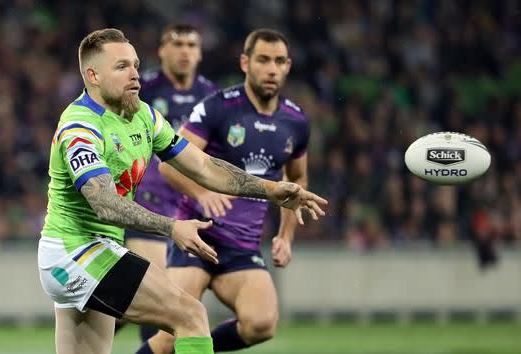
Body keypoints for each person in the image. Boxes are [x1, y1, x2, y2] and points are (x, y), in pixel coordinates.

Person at [38, 28, 327, 354]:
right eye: (121, 67)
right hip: (75, 253)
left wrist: (272, 190)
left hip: (95, 250)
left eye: (135, 64)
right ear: (92, 75)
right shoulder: (81, 126)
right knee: (190, 315)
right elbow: (105, 203)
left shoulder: (143, 115)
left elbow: (204, 166)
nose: (135, 74)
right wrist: (171, 226)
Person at [139, 29, 313, 353]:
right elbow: (168, 164)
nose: (271, 69)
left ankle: (195, 346)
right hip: (197, 237)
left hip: (242, 247)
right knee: (167, 337)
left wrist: (286, 235)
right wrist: (203, 194)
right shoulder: (217, 107)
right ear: (246, 63)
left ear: (288, 66)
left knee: (262, 324)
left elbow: (297, 182)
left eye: (278, 61)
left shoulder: (297, 121)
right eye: (263, 60)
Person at [121, 23, 218, 341]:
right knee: (161, 301)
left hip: (189, 210)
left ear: (200, 53)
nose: (185, 51)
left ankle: (102, 313)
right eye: (177, 44)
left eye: (192, 45)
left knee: (148, 301)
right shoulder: (141, 88)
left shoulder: (211, 97)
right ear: (162, 50)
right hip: (148, 204)